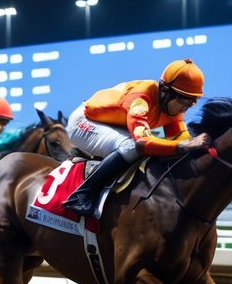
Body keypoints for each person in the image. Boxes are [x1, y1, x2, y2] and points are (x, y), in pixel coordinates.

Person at [62, 58, 212, 217]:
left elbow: (180, 138)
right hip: (84, 121)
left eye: (191, 103)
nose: (185, 108)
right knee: (131, 147)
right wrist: (182, 146)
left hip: (115, 125)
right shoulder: (140, 99)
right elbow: (142, 143)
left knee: (160, 144)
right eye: (183, 100)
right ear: (164, 91)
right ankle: (82, 195)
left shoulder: (172, 106)